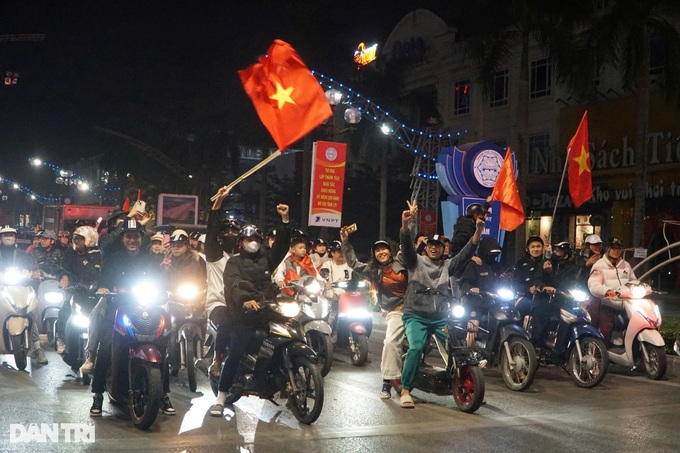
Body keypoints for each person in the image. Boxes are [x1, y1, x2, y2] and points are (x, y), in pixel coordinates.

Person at [399, 201, 484, 408]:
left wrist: (479, 231)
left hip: (439, 317)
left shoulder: (448, 265)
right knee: (417, 347)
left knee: (457, 347)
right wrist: (405, 224)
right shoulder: (415, 262)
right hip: (416, 315)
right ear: (426, 248)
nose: (434, 249)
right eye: (431, 246)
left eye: (438, 246)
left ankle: (466, 381)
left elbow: (465, 254)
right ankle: (405, 389)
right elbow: (406, 246)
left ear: (443, 248)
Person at [209, 204, 291, 417]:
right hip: (243, 316)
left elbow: (282, 247)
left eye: (255, 239)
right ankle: (221, 397)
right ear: (241, 243)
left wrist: (285, 221)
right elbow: (233, 284)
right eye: (248, 239)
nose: (252, 243)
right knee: (236, 352)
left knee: (291, 333)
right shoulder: (234, 263)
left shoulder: (266, 259)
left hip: (266, 311)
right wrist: (245, 300)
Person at [87, 219, 174, 417]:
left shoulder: (151, 258)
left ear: (141, 239)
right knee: (107, 345)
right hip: (118, 306)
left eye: (136, 236)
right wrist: (104, 288)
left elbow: (160, 280)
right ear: (123, 238)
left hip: (146, 306)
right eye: (128, 236)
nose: (132, 240)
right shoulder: (113, 256)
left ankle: (163, 394)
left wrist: (166, 281)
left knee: (161, 344)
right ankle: (98, 394)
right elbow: (105, 277)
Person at [342, 231, 407, 399]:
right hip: (395, 310)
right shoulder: (373, 270)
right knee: (390, 342)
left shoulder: (402, 262)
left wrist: (409, 222)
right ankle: (387, 381)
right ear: (374, 255)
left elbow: (407, 242)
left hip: (415, 309)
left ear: (391, 252)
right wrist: (346, 243)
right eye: (377, 251)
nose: (381, 252)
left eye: (384, 249)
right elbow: (353, 263)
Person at [201, 187, 242, 378]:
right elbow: (211, 229)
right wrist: (219, 202)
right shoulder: (215, 256)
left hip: (240, 304)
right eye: (226, 232)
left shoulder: (243, 259)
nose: (230, 234)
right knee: (226, 321)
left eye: (234, 231)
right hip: (218, 304)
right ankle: (217, 360)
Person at [56, 226, 101, 355]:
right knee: (64, 310)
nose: (76, 241)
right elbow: (64, 267)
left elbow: (101, 272)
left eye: (80, 239)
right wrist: (64, 277)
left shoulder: (98, 254)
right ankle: (62, 338)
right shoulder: (71, 252)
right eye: (75, 238)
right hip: (76, 290)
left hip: (96, 293)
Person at [529, 241, 580, 347]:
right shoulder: (546, 262)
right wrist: (544, 287)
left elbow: (565, 285)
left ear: (565, 256)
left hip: (563, 301)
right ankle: (536, 346)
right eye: (555, 249)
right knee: (540, 313)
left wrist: (550, 273)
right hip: (545, 300)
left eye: (558, 251)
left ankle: (560, 349)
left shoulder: (572, 268)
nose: (555, 252)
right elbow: (537, 279)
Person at [587, 237, 636, 345]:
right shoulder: (599, 265)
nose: (616, 251)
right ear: (608, 249)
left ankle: (636, 354)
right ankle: (599, 355)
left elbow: (633, 281)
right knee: (605, 332)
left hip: (627, 306)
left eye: (618, 248)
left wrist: (639, 288)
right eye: (613, 248)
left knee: (636, 328)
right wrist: (606, 291)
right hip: (608, 304)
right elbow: (593, 284)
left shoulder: (626, 265)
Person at [30, 229, 68, 364]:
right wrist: (33, 273)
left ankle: (62, 338)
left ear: (52, 241)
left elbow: (64, 268)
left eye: (45, 239)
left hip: (55, 284)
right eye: (41, 239)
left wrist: (64, 277)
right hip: (37, 285)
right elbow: (28, 266)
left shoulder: (59, 253)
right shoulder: (34, 252)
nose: (42, 241)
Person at [319, 240, 353, 342]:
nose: (342, 254)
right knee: (332, 317)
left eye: (343, 251)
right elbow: (324, 275)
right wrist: (327, 281)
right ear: (332, 253)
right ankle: (327, 340)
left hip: (347, 296)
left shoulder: (349, 265)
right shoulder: (327, 264)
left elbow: (357, 274)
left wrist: (366, 280)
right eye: (339, 252)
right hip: (332, 295)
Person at [512, 236, 550, 323]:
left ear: (543, 248)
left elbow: (554, 282)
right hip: (525, 297)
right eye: (533, 247)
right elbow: (515, 283)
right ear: (527, 249)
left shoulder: (548, 263)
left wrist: (548, 272)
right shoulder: (521, 264)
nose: (536, 249)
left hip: (544, 299)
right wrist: (528, 289)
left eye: (538, 246)